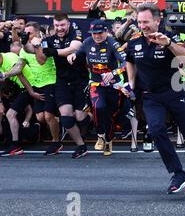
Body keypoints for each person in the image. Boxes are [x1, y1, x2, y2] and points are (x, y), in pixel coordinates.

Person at [125, 3, 185, 194]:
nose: (143, 25)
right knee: (156, 131)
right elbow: (129, 60)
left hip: (174, 93)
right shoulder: (134, 41)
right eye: (140, 22)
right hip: (150, 96)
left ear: (157, 21)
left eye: (146, 22)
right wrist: (131, 82)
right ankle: (178, 173)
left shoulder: (170, 37)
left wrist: (169, 44)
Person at [68, 20, 127, 156]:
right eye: (94, 33)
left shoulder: (113, 43)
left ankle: (108, 140)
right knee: (98, 107)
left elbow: (125, 63)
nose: (97, 36)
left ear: (106, 31)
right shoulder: (88, 42)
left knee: (110, 114)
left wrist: (113, 73)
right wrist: (73, 55)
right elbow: (79, 54)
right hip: (96, 84)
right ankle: (100, 134)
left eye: (100, 33)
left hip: (113, 85)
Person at [4, 22, 61, 156]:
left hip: (51, 83)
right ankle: (59, 122)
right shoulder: (24, 49)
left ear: (38, 33)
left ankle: (56, 142)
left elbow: (41, 60)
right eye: (26, 33)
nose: (28, 36)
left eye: (31, 33)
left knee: (48, 116)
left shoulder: (45, 43)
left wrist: (35, 45)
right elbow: (19, 68)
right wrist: (4, 74)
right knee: (41, 118)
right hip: (37, 86)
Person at [38, 13, 91, 158]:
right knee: (66, 117)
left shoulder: (76, 32)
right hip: (61, 82)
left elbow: (75, 48)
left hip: (80, 81)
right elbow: (42, 59)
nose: (59, 28)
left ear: (68, 24)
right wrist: (32, 45)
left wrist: (55, 52)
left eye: (62, 25)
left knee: (80, 117)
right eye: (56, 25)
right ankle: (81, 146)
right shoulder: (49, 39)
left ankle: (91, 120)